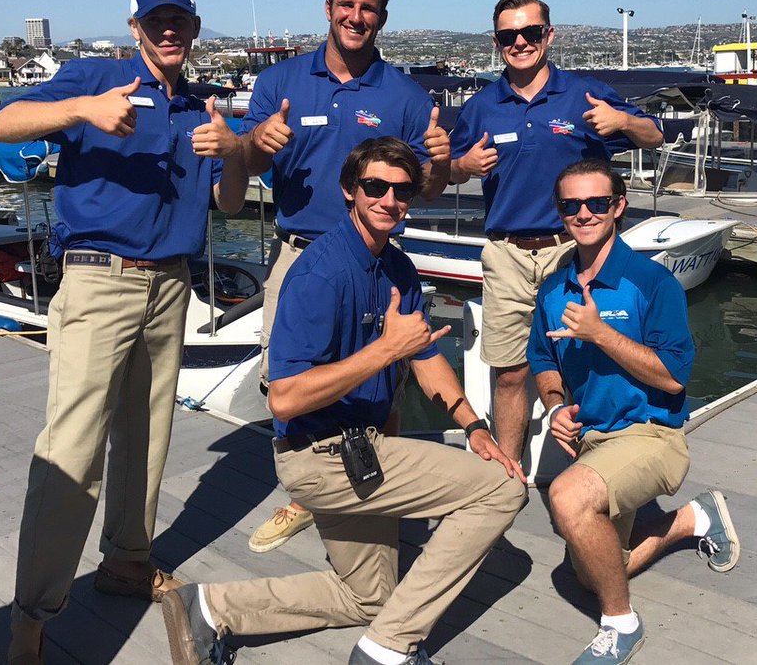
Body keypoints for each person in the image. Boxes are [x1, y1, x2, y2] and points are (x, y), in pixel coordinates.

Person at [162, 137, 526, 665]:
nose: (388, 200)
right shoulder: (319, 274)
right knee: (499, 490)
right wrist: (383, 352)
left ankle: (212, 607)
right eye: (374, 187)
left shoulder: (397, 267)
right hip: (321, 458)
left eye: (401, 191)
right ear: (349, 192)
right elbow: (284, 400)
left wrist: (473, 425)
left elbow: (422, 355)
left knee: (371, 597)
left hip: (363, 450)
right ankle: (390, 649)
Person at [0, 0, 248, 665]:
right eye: (156, 20)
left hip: (171, 285)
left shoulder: (202, 106)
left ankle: (127, 561)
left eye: (180, 21)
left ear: (194, 30)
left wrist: (235, 156)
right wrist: (83, 110)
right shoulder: (95, 76)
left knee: (146, 438)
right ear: (136, 28)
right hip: (99, 281)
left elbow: (227, 203)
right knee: (72, 451)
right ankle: (31, 617)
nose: (169, 31)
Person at [241, 0, 450, 552]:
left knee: (385, 379)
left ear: (382, 17)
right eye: (347, 5)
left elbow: (423, 189)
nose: (356, 17)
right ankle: (308, 494)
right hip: (299, 256)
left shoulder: (406, 96)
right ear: (328, 7)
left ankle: (379, 491)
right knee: (287, 384)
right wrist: (255, 143)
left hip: (378, 264)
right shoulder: (279, 83)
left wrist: (437, 163)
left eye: (369, 8)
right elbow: (248, 164)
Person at [528, 158, 740, 664]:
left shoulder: (651, 283)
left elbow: (673, 376)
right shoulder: (553, 289)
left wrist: (601, 333)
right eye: (570, 205)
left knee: (568, 498)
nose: (583, 213)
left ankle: (621, 625)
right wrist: (555, 404)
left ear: (618, 207)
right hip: (593, 441)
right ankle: (693, 519)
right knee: (594, 571)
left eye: (596, 203)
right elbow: (542, 359)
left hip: (652, 435)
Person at [450, 0, 664, 463]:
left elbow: (655, 135)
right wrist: (461, 165)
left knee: (584, 360)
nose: (520, 42)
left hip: (573, 251)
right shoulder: (481, 107)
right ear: (496, 40)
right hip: (507, 254)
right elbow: (442, 169)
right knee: (508, 372)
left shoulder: (582, 95)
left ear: (549, 35)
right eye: (509, 35)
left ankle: (597, 466)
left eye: (530, 32)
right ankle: (507, 475)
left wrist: (623, 119)